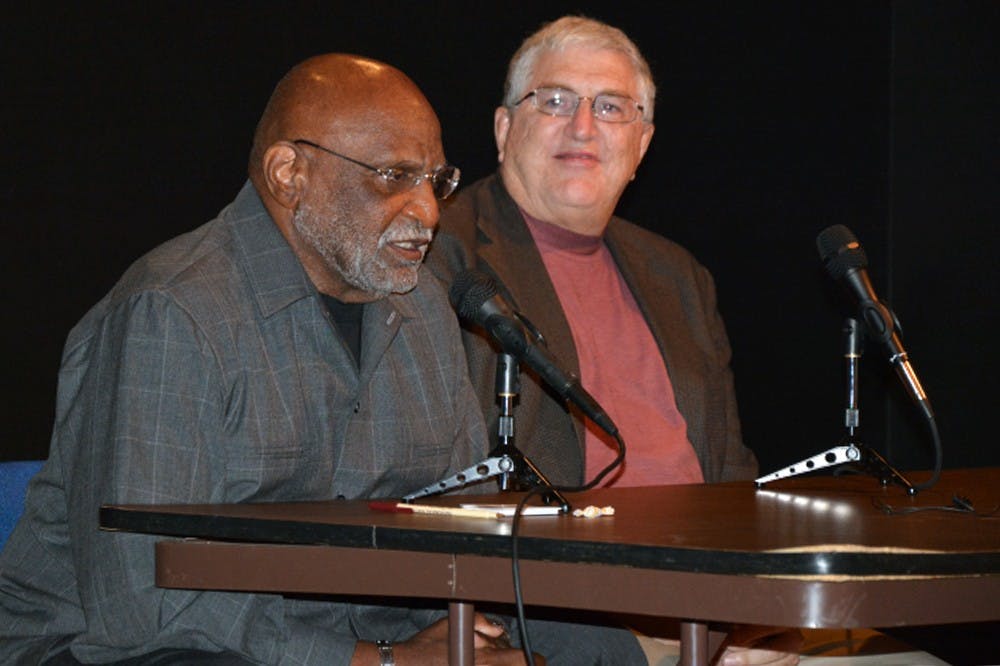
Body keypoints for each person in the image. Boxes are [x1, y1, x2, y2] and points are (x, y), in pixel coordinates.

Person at [0, 53, 644, 665]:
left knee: (595, 650)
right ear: (289, 175)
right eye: (394, 177)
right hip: (127, 645)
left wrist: (460, 624)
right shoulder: (174, 314)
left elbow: (459, 531)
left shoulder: (421, 308)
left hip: (360, 626)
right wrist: (383, 660)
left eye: (435, 181)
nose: (426, 211)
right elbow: (139, 602)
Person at [427, 15, 799, 666]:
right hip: (577, 631)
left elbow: (733, 476)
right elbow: (443, 502)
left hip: (720, 615)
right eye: (556, 100)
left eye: (610, 107)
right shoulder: (443, 264)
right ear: (503, 128)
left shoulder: (679, 276)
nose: (583, 127)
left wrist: (756, 619)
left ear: (643, 142)